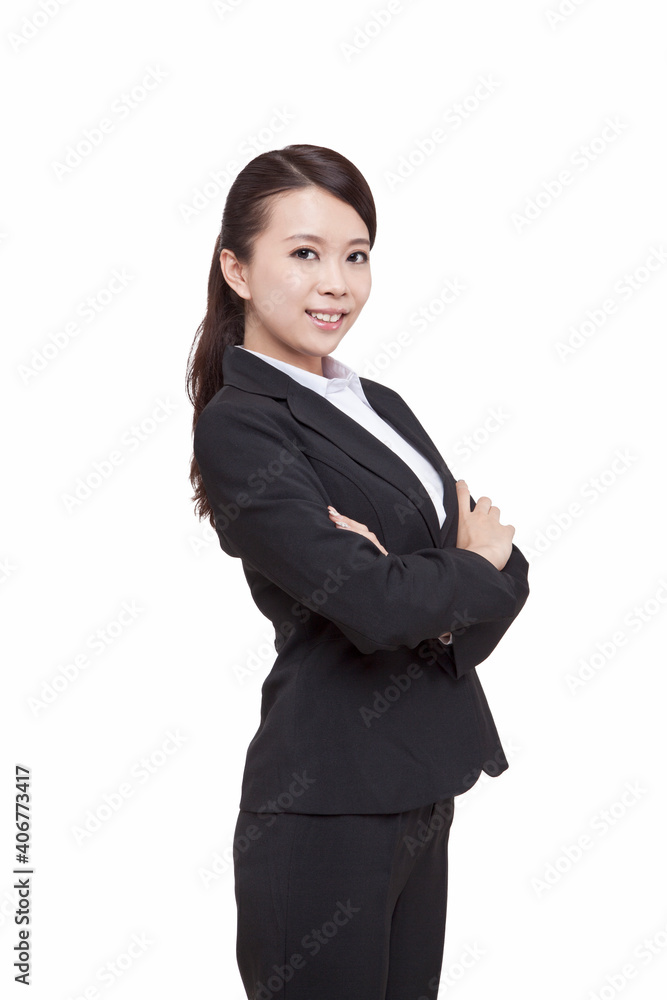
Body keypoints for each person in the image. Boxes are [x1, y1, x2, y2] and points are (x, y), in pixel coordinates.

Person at [187, 144, 530, 1000]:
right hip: (323, 804)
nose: (335, 282)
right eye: (303, 254)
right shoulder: (242, 425)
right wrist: (437, 574)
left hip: (421, 785)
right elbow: (370, 606)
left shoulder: (380, 406)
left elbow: (506, 563)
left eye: (355, 255)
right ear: (236, 267)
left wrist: (430, 578)